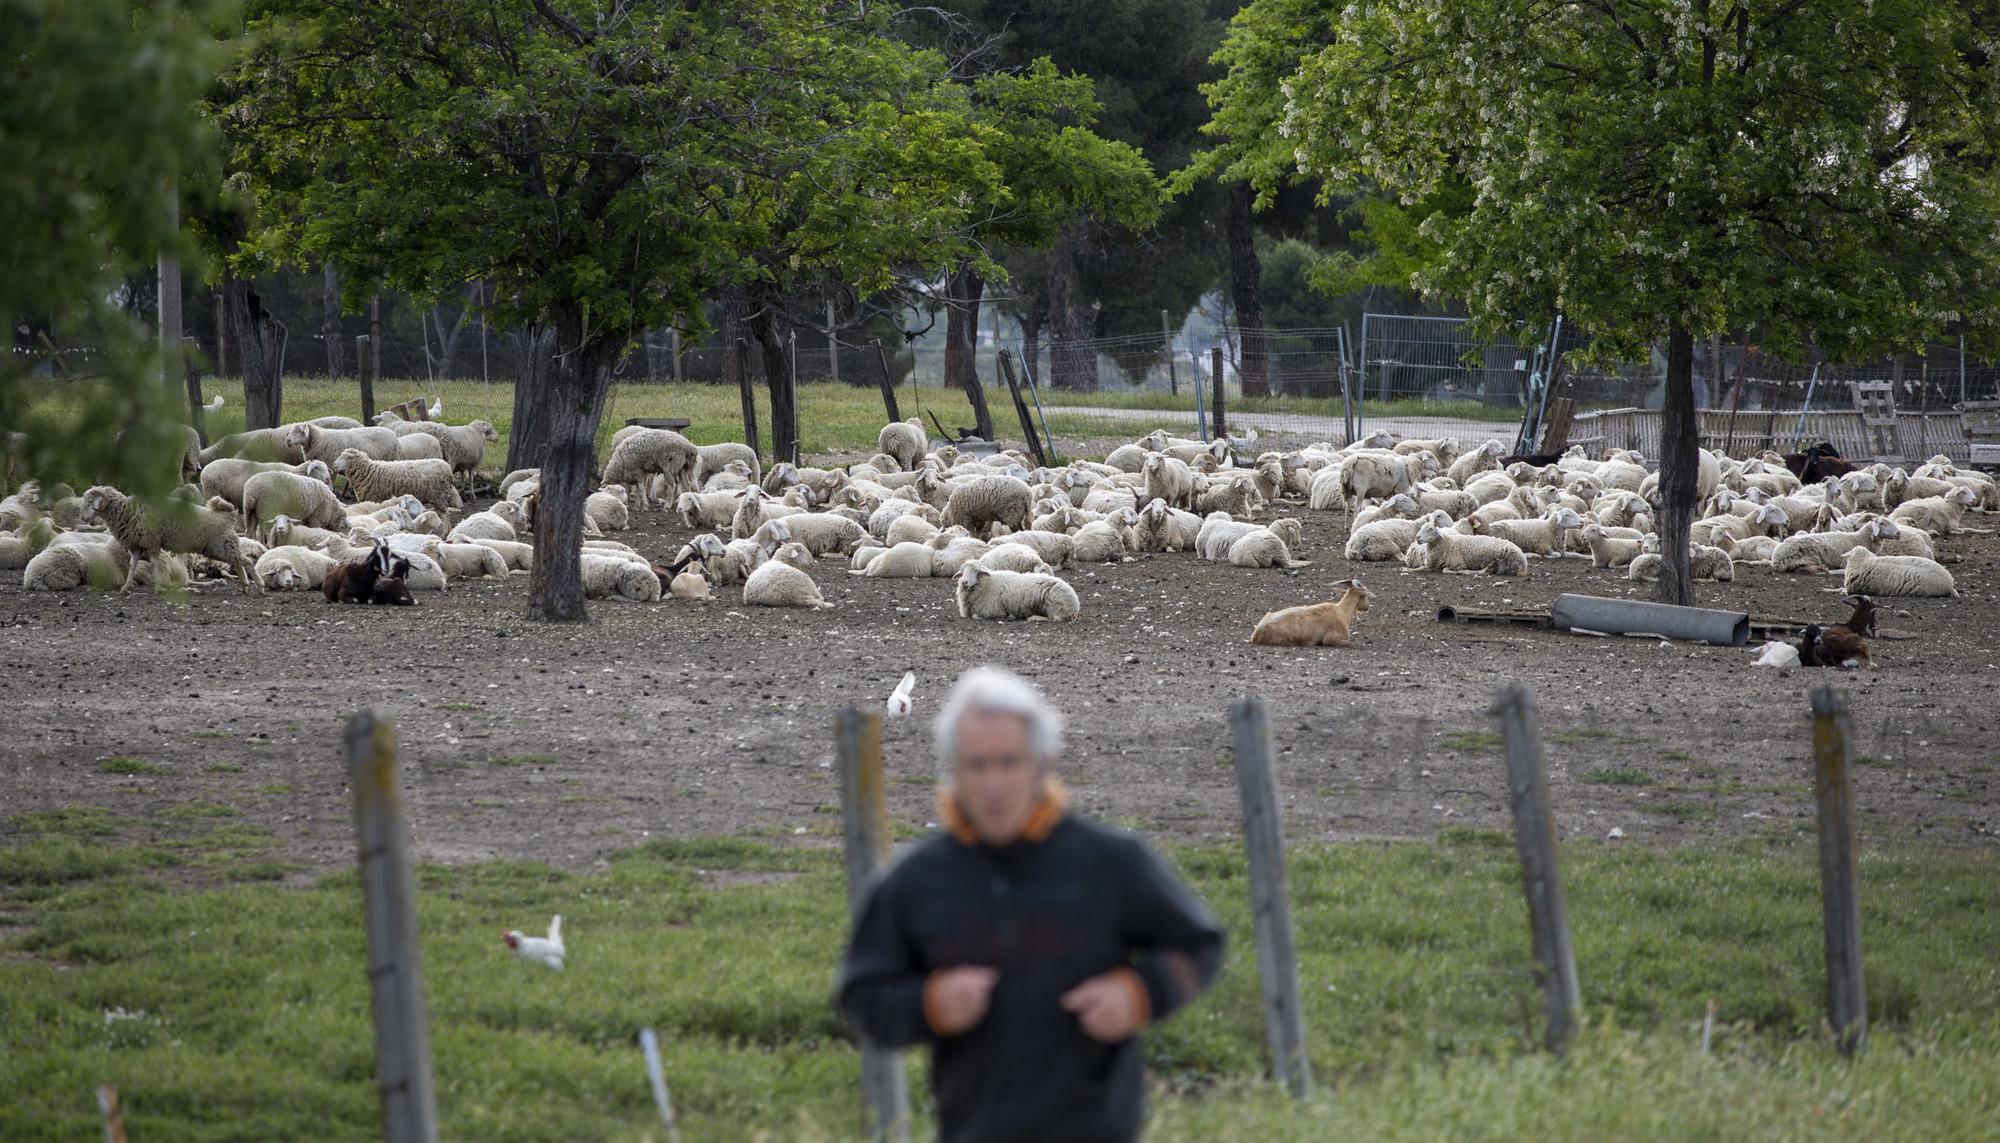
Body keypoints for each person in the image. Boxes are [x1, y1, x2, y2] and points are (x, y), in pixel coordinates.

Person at [837, 666, 1224, 1142]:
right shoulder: (916, 882)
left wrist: (1140, 993)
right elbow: (862, 997)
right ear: (954, 769)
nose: (993, 784)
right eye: (976, 765)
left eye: (1010, 762)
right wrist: (928, 1004)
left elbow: (1200, 944)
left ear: (1044, 763)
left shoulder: (1110, 862)